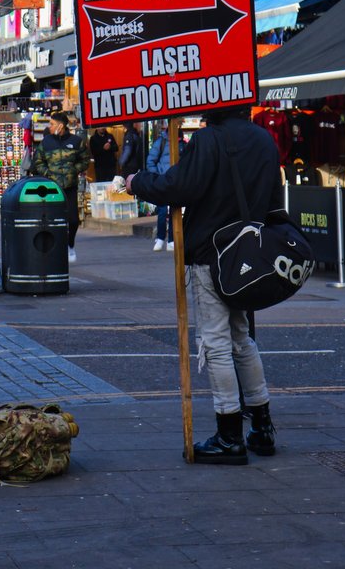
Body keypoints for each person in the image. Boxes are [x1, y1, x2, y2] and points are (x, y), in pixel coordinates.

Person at [125, 108, 281, 465]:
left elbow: (180, 187)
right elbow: (275, 198)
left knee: (215, 342)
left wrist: (137, 181)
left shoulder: (209, 139)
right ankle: (262, 425)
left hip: (211, 252)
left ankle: (229, 435)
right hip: (248, 256)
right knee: (242, 339)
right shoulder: (263, 138)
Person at [31, 111, 90, 264]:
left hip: (70, 187)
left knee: (73, 220)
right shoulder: (46, 142)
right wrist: (48, 174)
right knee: (52, 221)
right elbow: (38, 162)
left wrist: (74, 170)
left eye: (51, 124)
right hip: (52, 189)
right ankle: (54, 250)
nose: (49, 127)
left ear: (61, 126)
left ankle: (70, 246)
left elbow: (85, 160)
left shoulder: (76, 141)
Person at [146, 125, 173, 252]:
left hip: (176, 181)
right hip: (163, 180)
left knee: (175, 211)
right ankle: (161, 238)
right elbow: (150, 161)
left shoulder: (182, 143)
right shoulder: (161, 142)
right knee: (162, 211)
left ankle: (172, 239)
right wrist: (157, 177)